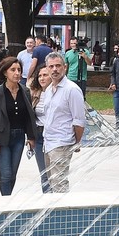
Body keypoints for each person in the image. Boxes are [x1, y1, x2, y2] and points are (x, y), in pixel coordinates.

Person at [0, 55, 39, 196]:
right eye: (13, 70)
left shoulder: (25, 91)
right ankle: (6, 201)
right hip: (3, 138)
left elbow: (28, 115)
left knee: (12, 174)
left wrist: (31, 136)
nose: (17, 73)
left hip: (19, 137)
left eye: (19, 70)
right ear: (5, 72)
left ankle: (7, 198)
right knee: (5, 173)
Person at [37, 51, 86, 192]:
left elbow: (79, 121)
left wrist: (76, 142)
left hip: (62, 142)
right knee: (51, 182)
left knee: (59, 184)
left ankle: (63, 205)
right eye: (51, 67)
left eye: (58, 66)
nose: (55, 69)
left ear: (65, 67)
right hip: (48, 142)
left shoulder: (72, 90)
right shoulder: (48, 90)